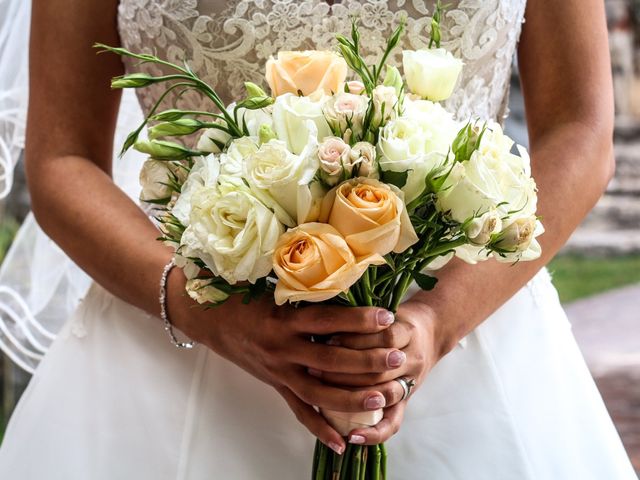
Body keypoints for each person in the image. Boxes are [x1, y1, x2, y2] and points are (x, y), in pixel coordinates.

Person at [0, 0, 636, 478]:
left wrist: (437, 321)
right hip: (171, 365)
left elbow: (580, 129)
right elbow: (62, 159)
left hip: (470, 337)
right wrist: (208, 313)